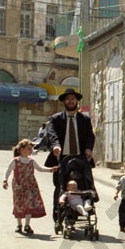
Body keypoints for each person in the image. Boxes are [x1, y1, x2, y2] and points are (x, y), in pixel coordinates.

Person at [46, 88, 95, 224]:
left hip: (80, 159)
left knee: (81, 186)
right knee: (60, 186)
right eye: (68, 99)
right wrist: (55, 145)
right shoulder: (56, 119)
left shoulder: (84, 119)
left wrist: (89, 149)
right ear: (64, 102)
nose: (71, 101)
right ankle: (58, 215)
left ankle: (77, 213)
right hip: (61, 158)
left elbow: (90, 136)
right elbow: (52, 133)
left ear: (77, 101)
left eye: (73, 99)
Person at [2, 138, 57, 235]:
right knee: (19, 204)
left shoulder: (31, 161)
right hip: (19, 186)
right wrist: (5, 180)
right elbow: (8, 170)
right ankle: (19, 225)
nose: (31, 151)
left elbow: (40, 168)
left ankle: (27, 225)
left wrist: (50, 169)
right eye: (28, 149)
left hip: (31, 185)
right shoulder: (15, 161)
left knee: (29, 203)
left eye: (31, 149)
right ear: (22, 150)